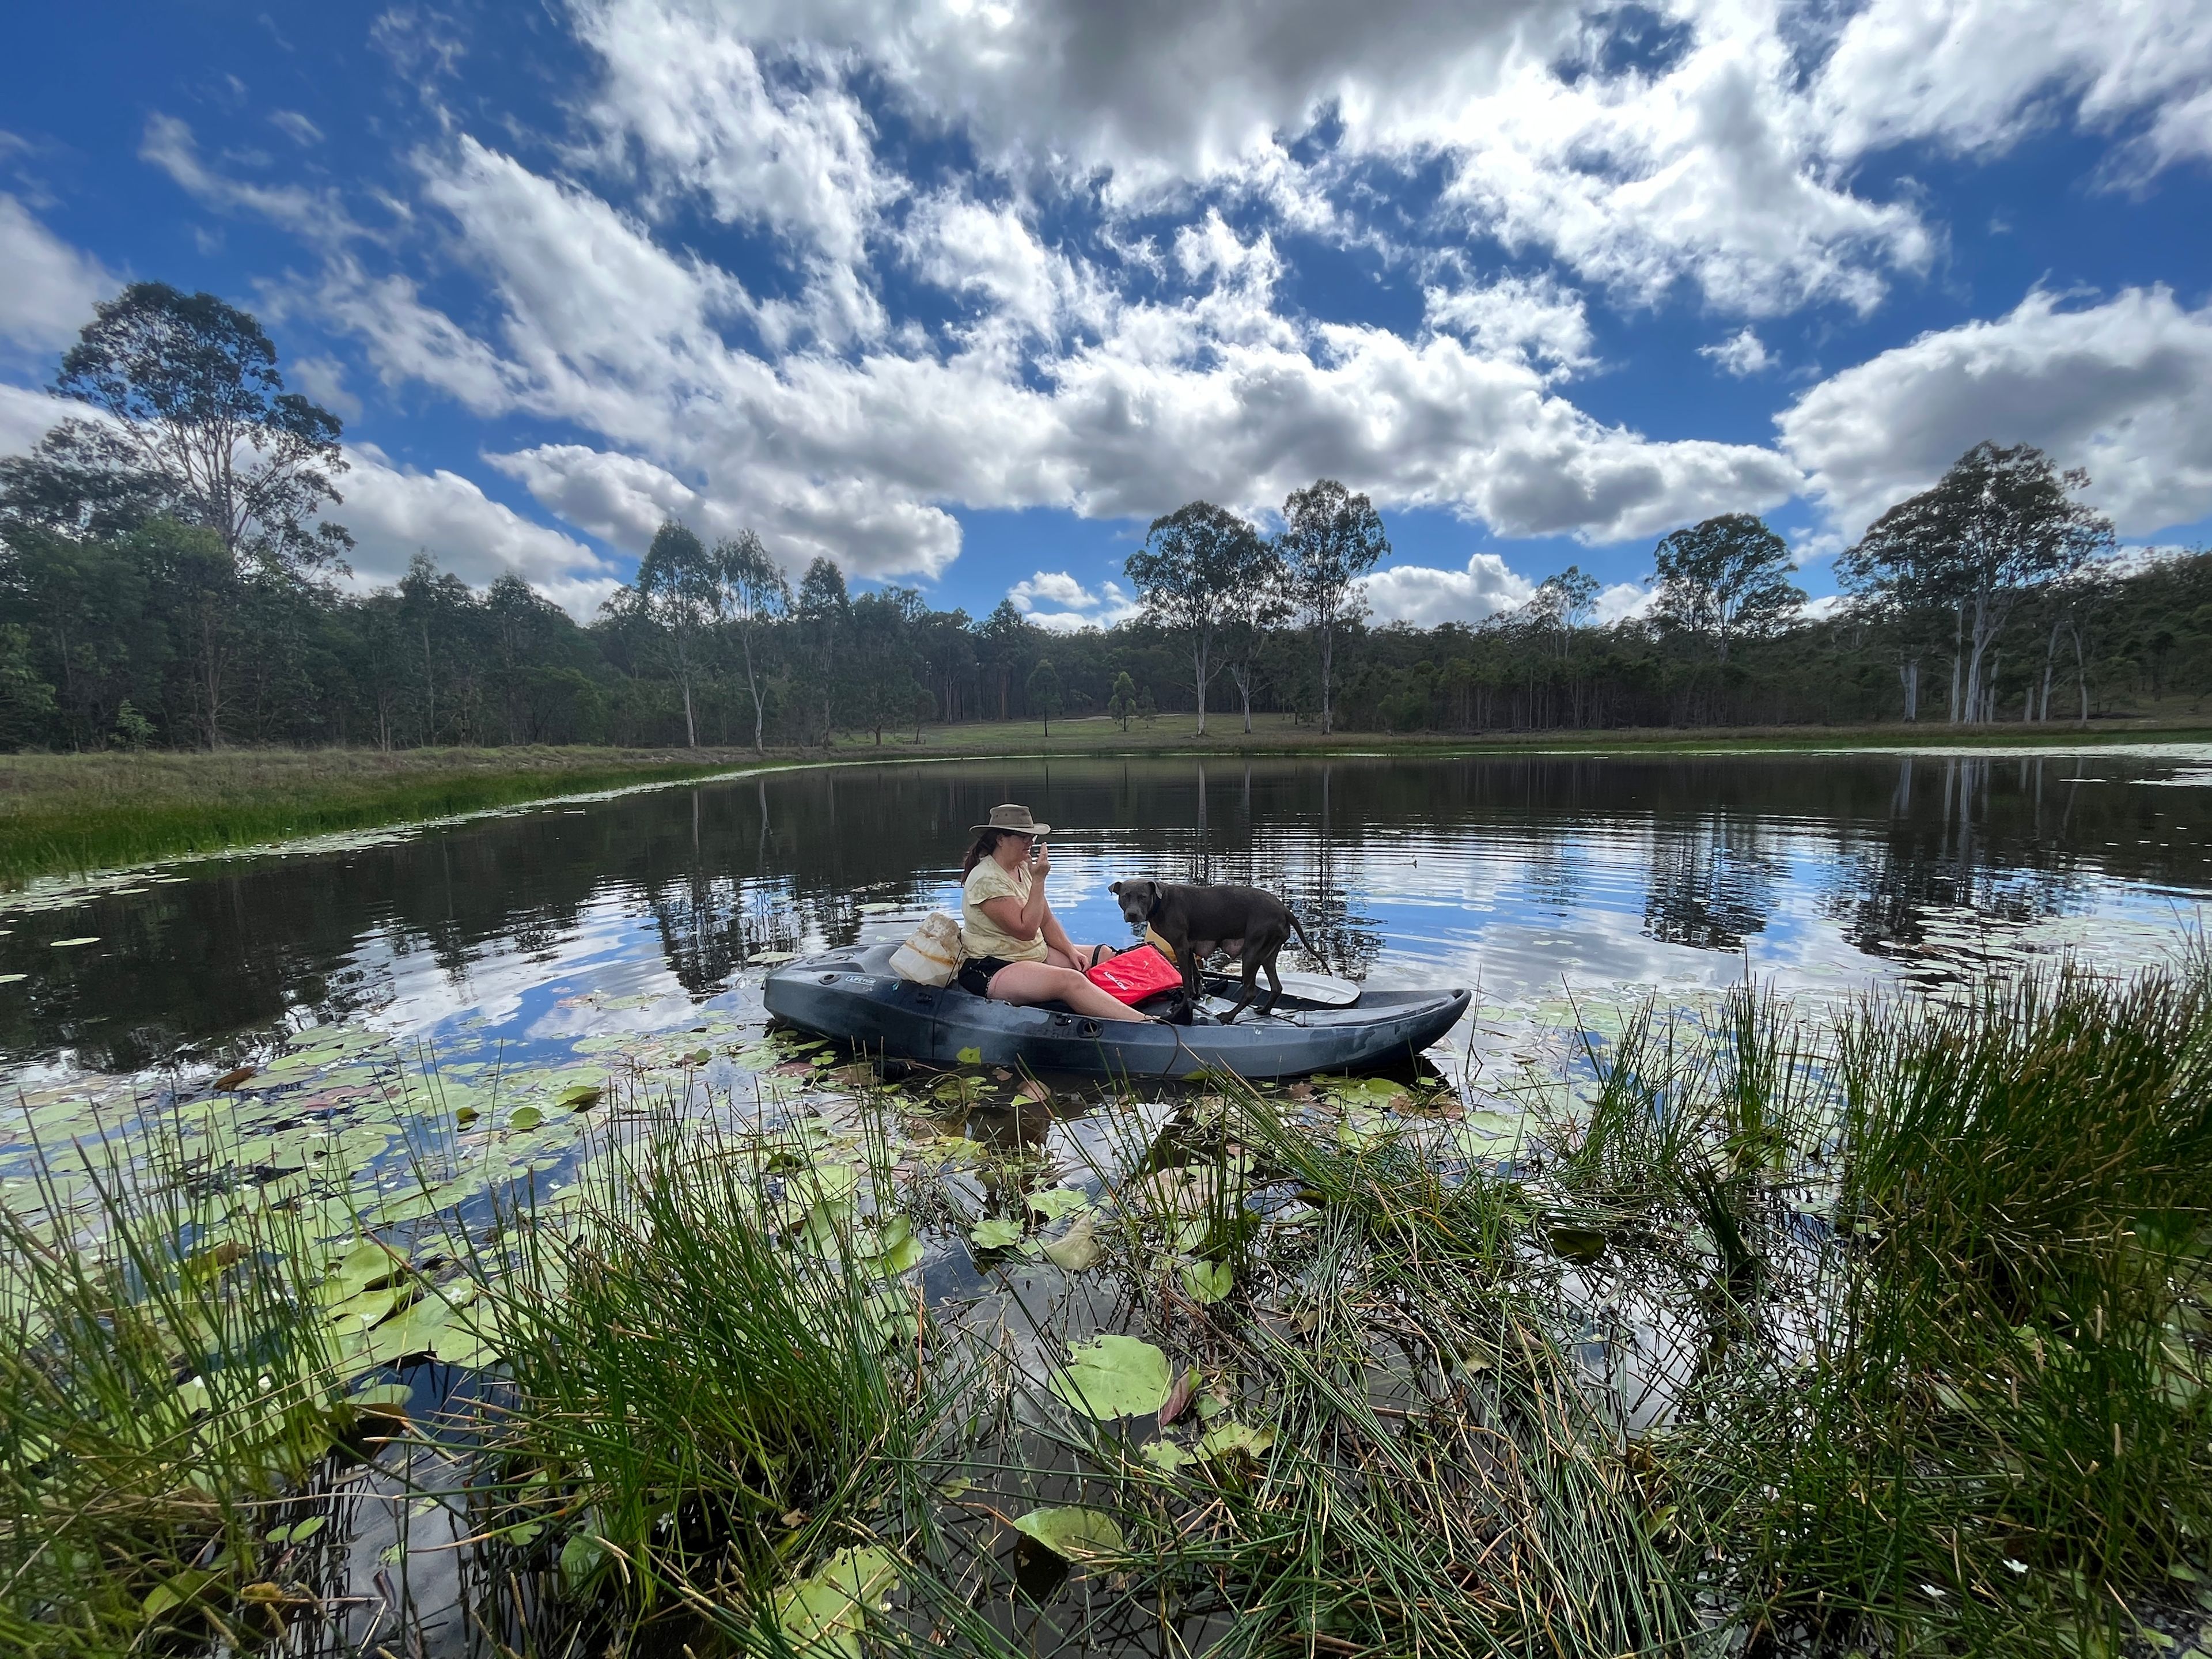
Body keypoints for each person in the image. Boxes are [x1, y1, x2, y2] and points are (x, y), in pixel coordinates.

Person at [956, 803, 1149, 1022]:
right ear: (1000, 839)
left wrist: (1070, 951)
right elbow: (1026, 930)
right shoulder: (986, 880)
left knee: (1104, 954)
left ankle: (1150, 1001)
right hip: (995, 965)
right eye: (1023, 837)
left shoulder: (1021, 867)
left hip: (1033, 953)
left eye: (1032, 837)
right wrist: (1039, 880)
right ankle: (1148, 1024)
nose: (1030, 842)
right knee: (1071, 980)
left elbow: (1046, 920)